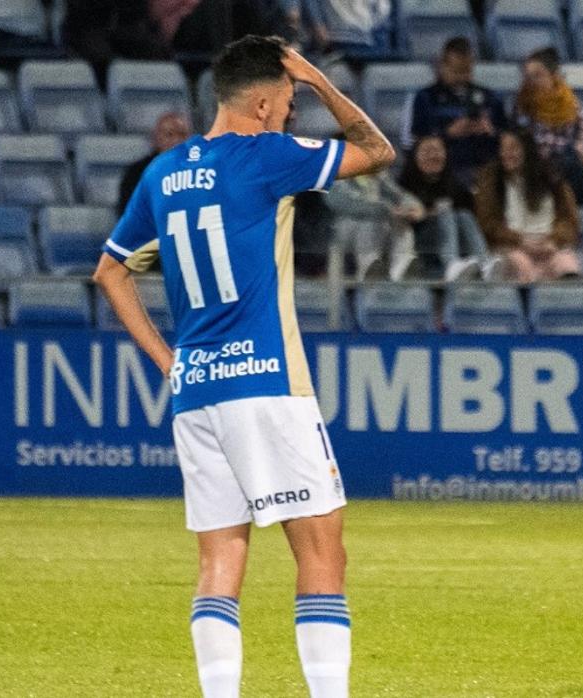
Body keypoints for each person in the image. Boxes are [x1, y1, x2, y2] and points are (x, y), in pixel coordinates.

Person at [92, 35, 394, 698]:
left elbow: (110, 272)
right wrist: (316, 78)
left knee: (220, 558)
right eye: (286, 103)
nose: (290, 114)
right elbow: (376, 151)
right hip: (267, 383)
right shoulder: (266, 156)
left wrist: (169, 362)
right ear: (262, 103)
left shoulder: (162, 172)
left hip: (196, 392)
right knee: (322, 553)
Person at [474, 128, 579, 282]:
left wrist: (554, 240)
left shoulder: (553, 180)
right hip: (510, 246)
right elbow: (489, 224)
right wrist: (520, 241)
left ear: (527, 151)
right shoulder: (491, 181)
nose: (506, 154)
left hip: (550, 244)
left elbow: (569, 220)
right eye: (503, 149)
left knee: (567, 266)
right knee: (522, 266)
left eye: (513, 148)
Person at [402, 35, 508, 184]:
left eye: (467, 71)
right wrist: (449, 133)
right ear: (442, 66)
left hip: (485, 172)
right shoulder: (425, 97)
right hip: (443, 174)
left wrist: (491, 132)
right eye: (457, 71)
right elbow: (417, 144)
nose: (462, 77)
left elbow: (507, 139)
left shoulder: (490, 97)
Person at [398, 134, 498, 281]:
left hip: (455, 240)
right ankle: (452, 265)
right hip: (420, 245)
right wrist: (428, 213)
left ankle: (484, 264)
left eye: (438, 151)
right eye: (427, 151)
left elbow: (469, 209)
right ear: (415, 157)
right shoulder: (403, 186)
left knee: (463, 215)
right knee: (445, 213)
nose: (433, 156)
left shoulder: (455, 184)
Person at [513, 46, 583, 205]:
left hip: (566, 170)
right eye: (528, 77)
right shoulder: (522, 108)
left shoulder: (573, 108)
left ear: (554, 76)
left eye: (538, 76)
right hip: (534, 170)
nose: (531, 82)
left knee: (571, 161)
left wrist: (582, 152)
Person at [328, 159, 425, 281]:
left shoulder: (378, 175)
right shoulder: (336, 172)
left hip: (378, 230)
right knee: (372, 218)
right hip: (341, 233)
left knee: (400, 220)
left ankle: (403, 267)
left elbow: (399, 195)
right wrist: (387, 209)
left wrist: (413, 207)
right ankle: (369, 265)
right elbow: (345, 204)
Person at [118, 111, 194, 214]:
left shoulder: (204, 169)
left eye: (182, 134)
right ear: (156, 139)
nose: (177, 140)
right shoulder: (137, 174)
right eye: (169, 135)